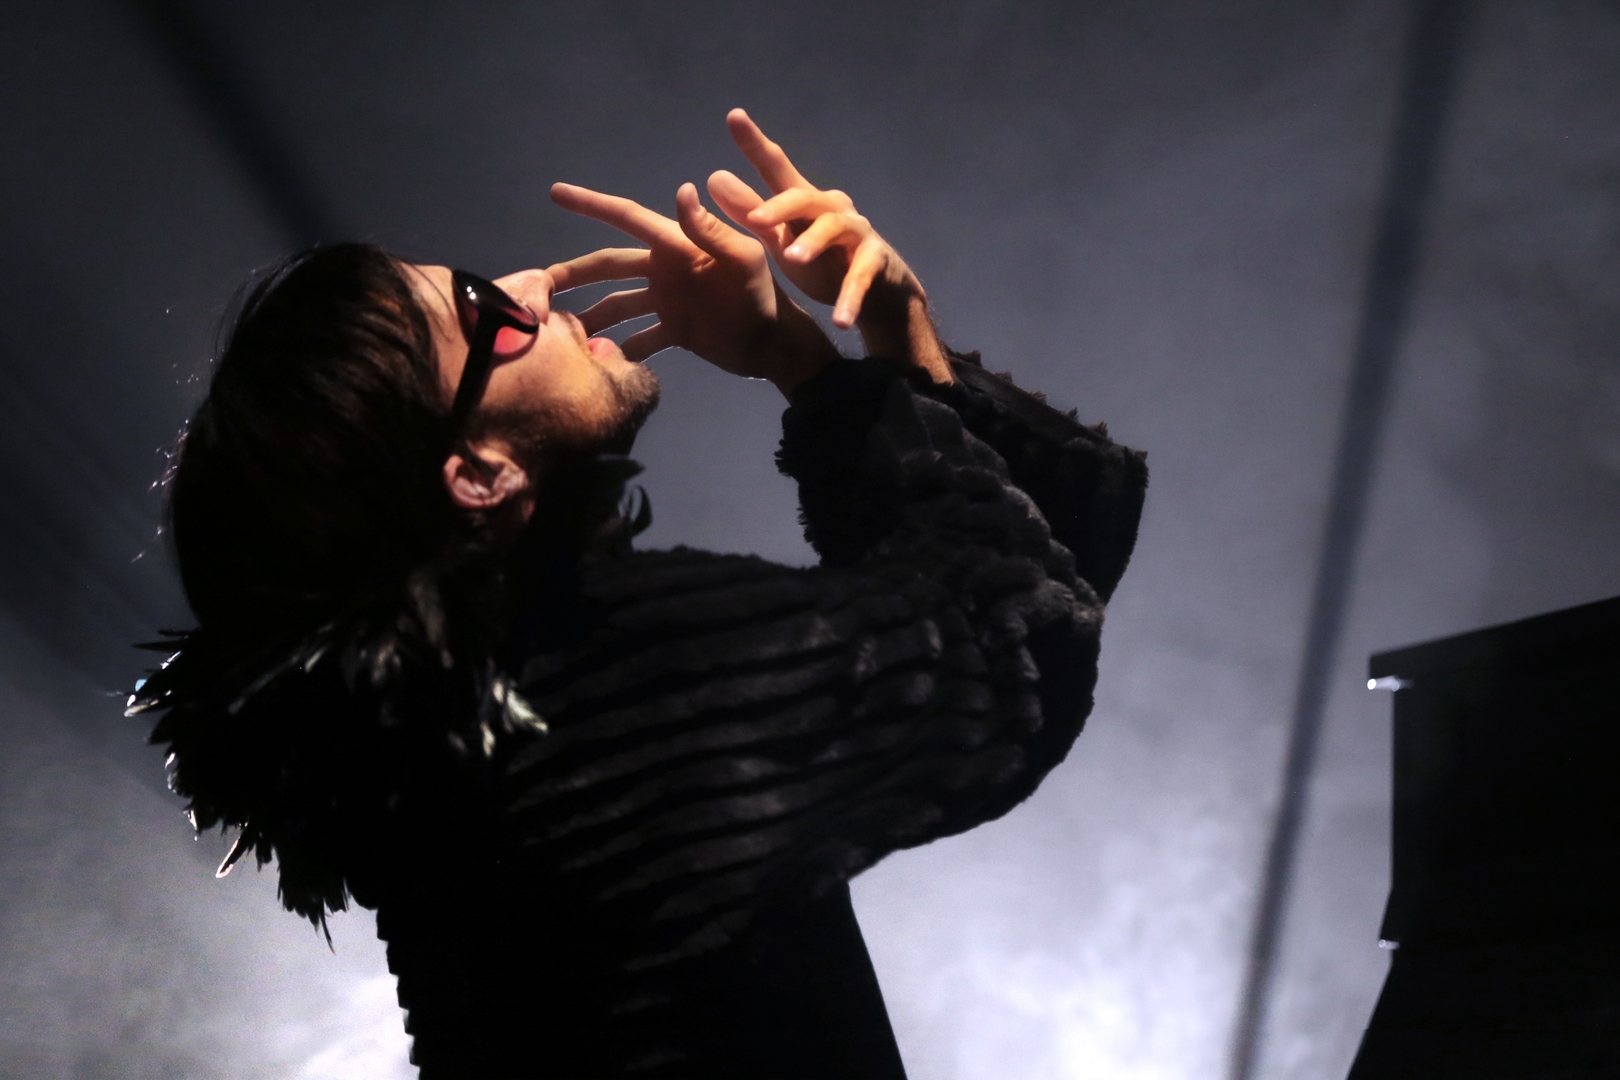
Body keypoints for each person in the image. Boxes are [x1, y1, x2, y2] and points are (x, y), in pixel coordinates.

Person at [130, 110, 1148, 1078]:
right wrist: (828, 352)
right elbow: (1015, 638)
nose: (531, 285)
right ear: (478, 476)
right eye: (483, 313)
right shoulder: (610, 689)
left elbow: (1029, 573)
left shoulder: (464, 753)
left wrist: (855, 355)